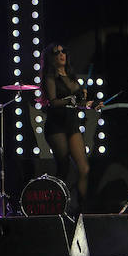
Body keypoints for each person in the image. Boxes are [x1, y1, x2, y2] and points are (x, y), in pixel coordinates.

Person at [40, 42, 98, 210]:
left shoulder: (71, 76)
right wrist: (71, 99)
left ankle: (82, 210)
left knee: (84, 168)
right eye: (57, 52)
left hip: (71, 125)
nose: (61, 54)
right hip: (56, 125)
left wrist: (90, 104)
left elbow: (78, 103)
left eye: (63, 51)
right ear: (51, 58)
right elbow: (53, 102)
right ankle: (55, 207)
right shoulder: (50, 78)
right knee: (64, 168)